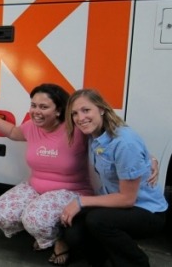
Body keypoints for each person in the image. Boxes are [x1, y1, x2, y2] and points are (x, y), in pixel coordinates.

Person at [0, 83, 93, 265]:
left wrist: (150, 159)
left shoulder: (77, 129)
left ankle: (60, 240)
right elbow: (13, 132)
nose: (36, 111)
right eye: (33, 105)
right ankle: (45, 233)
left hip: (71, 190)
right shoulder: (32, 127)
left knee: (35, 219)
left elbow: (112, 138)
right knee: (0, 213)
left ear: (59, 110)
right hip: (35, 187)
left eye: (43, 107)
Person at [61, 89, 168, 267]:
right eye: (74, 113)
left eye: (86, 110)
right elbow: (141, 154)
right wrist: (152, 159)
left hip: (146, 210)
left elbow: (127, 199)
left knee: (98, 221)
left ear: (102, 109)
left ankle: (137, 262)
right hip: (118, 203)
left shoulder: (123, 142)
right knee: (74, 228)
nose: (80, 118)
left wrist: (80, 201)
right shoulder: (94, 134)